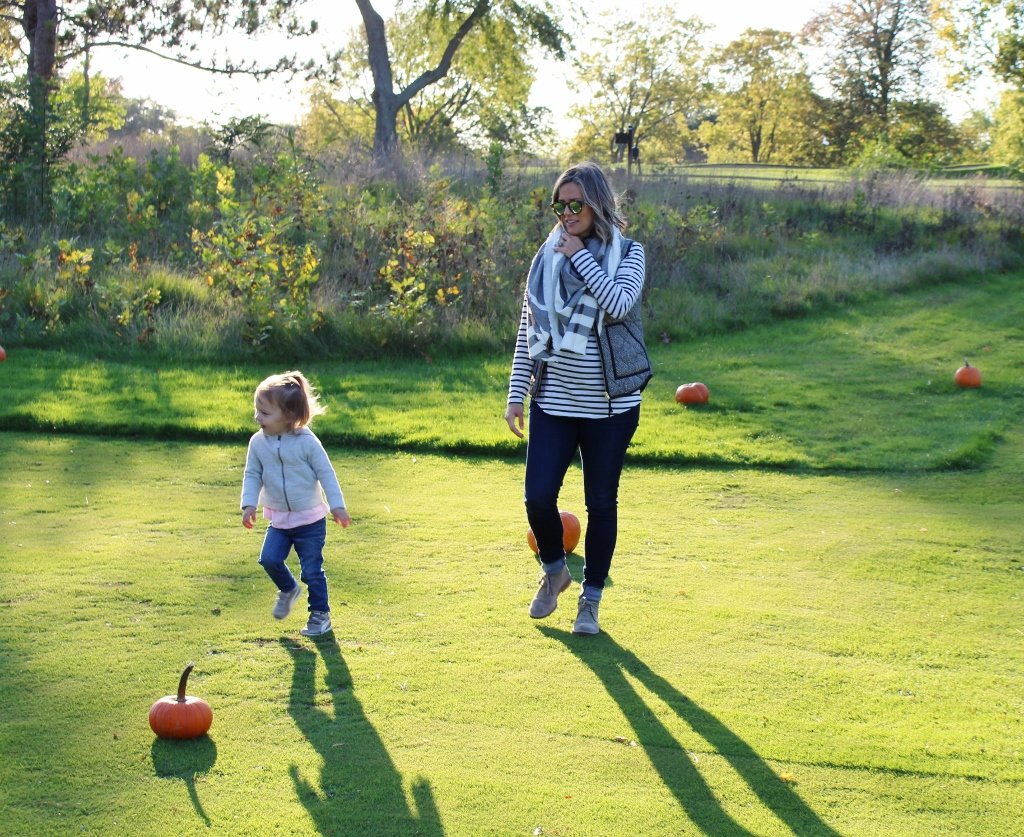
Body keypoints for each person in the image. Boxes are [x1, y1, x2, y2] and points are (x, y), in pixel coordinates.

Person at [504, 161, 649, 636]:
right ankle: (554, 571)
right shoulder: (545, 258)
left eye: (575, 205)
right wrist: (517, 394)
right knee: (537, 496)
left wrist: (580, 256)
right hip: (555, 402)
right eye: (559, 206)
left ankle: (591, 599)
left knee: (600, 502)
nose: (566, 214)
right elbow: (528, 328)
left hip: (610, 408)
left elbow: (619, 303)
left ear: (597, 204)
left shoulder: (629, 253)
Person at [241, 371, 352, 637]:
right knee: (269, 559)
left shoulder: (307, 442)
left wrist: (337, 505)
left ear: (288, 415)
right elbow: (252, 473)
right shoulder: (258, 443)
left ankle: (320, 615)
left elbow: (326, 473)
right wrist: (249, 504)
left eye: (265, 413)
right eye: (257, 410)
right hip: (279, 520)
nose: (258, 417)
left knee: (311, 570)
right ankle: (288, 589)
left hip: (310, 521)